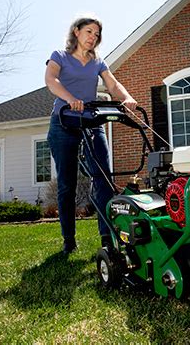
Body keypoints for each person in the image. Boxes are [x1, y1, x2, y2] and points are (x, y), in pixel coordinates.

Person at [45, 16, 137, 254]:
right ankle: (69, 239)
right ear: (76, 32)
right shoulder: (60, 56)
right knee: (67, 183)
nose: (93, 37)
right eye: (89, 31)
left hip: (91, 121)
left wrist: (125, 97)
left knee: (103, 178)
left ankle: (107, 238)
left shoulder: (98, 62)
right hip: (63, 121)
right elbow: (50, 79)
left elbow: (113, 84)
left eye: (96, 34)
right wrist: (69, 99)